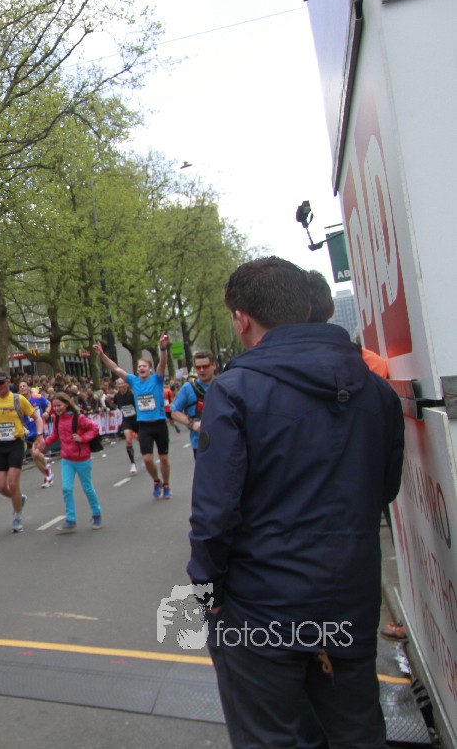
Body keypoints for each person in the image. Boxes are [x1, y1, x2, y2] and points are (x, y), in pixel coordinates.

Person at [188, 256, 403, 749]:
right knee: (356, 730)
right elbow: (384, 490)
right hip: (349, 592)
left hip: (259, 605)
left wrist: (205, 591)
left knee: (267, 735)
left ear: (242, 319)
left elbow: (215, 514)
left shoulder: (234, 391)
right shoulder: (376, 390)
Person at [95, 335, 172, 499]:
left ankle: (166, 484)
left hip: (159, 424)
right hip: (144, 425)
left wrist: (163, 349)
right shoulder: (134, 381)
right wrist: (102, 355)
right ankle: (156, 480)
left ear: (150, 369)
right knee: (147, 459)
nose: (141, 368)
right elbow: (116, 368)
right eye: (139, 366)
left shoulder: (157, 379)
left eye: (144, 366)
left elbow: (162, 364)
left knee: (164, 459)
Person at [0, 371, 44, 533]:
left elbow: (37, 417)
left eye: (2, 382)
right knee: (1, 487)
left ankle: (17, 516)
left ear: (8, 382)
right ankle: (19, 499)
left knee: (13, 483)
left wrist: (40, 435)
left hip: (15, 443)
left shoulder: (18, 399)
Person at [45, 393, 103, 532]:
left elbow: (94, 428)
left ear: (66, 404)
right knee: (66, 488)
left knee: (87, 488)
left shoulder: (79, 417)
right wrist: (43, 443)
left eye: (59, 405)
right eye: (54, 406)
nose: (56, 409)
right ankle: (71, 519)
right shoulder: (57, 419)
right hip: (67, 459)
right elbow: (55, 435)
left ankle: (96, 513)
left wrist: (82, 438)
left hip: (82, 459)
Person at [171, 350, 216, 460]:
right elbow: (175, 412)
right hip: (201, 443)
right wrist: (192, 424)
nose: (201, 370)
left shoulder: (224, 384)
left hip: (225, 440)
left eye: (205, 366)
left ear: (214, 365)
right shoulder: (188, 388)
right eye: (198, 367)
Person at [111, 378, 139, 475]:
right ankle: (133, 464)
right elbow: (114, 406)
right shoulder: (117, 396)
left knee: (141, 439)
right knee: (128, 440)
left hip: (137, 419)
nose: (121, 386)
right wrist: (109, 401)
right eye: (119, 384)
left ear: (127, 384)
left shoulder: (132, 394)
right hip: (127, 420)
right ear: (117, 386)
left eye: (122, 383)